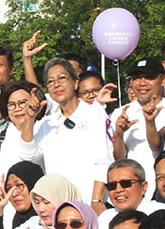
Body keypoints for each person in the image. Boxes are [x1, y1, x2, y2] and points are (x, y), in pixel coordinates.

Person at [22, 59, 111, 209]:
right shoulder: (47, 123)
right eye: (50, 81)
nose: (56, 84)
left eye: (62, 78)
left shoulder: (94, 113)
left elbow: (103, 160)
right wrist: (29, 119)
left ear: (76, 83)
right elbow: (29, 156)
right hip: (59, 207)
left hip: (90, 202)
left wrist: (96, 201)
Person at [111, 57, 165, 186]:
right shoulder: (120, 113)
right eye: (137, 78)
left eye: (149, 77)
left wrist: (150, 121)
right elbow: (120, 158)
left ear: (163, 80)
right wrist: (118, 135)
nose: (142, 83)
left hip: (162, 186)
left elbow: (158, 148)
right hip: (130, 188)